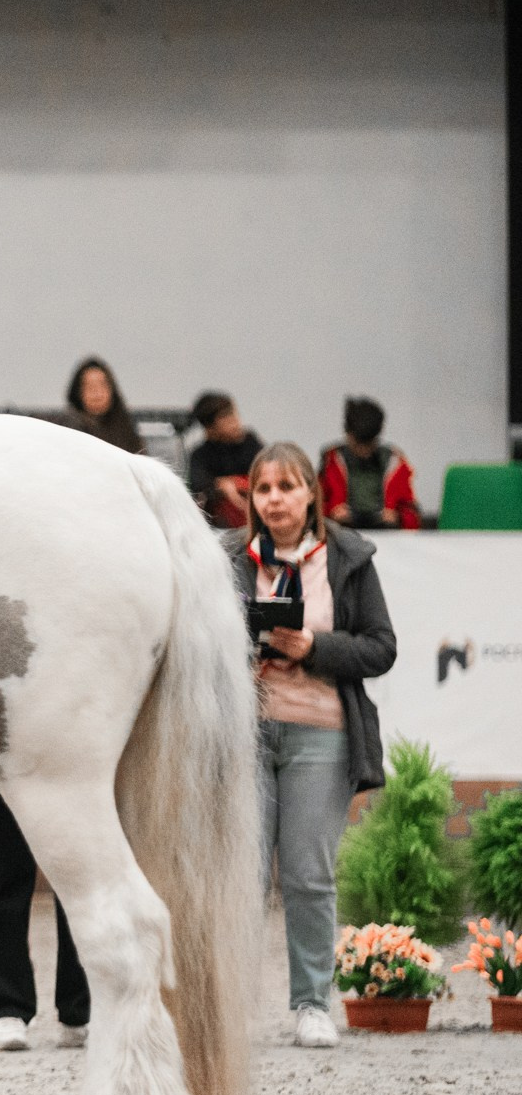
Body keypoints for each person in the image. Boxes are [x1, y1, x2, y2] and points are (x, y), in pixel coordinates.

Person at [226, 442, 397, 1049]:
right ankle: (229, 1008)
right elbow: (192, 642)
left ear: (310, 495)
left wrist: (314, 648)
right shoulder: (227, 558)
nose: (275, 499)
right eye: (263, 489)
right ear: (252, 499)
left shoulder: (349, 556)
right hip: (243, 734)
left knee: (307, 874)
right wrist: (233, 661)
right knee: (240, 876)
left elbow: (381, 647)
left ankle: (310, 1005)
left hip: (322, 733)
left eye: (287, 487)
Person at [0, 755, 90, 1051]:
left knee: (75, 877)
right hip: (5, 753)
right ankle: (8, 1007)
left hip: (71, 746)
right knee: (5, 874)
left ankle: (79, 1011)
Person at [319, 397, 421, 530]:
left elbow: (412, 514)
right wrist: (331, 514)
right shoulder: (331, 461)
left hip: (387, 534)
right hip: (342, 533)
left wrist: (398, 518)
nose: (364, 451)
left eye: (369, 444)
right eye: (358, 444)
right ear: (348, 435)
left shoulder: (395, 463)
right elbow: (315, 508)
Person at [185, 391, 264, 528]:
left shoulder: (250, 442)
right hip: (223, 529)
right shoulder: (201, 455)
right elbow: (198, 486)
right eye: (226, 418)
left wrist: (238, 483)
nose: (235, 421)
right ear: (210, 428)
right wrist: (221, 485)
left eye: (233, 414)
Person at [53, 357, 143, 455]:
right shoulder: (69, 429)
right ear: (78, 392)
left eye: (102, 385)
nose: (97, 393)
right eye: (90, 387)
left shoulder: (126, 428)